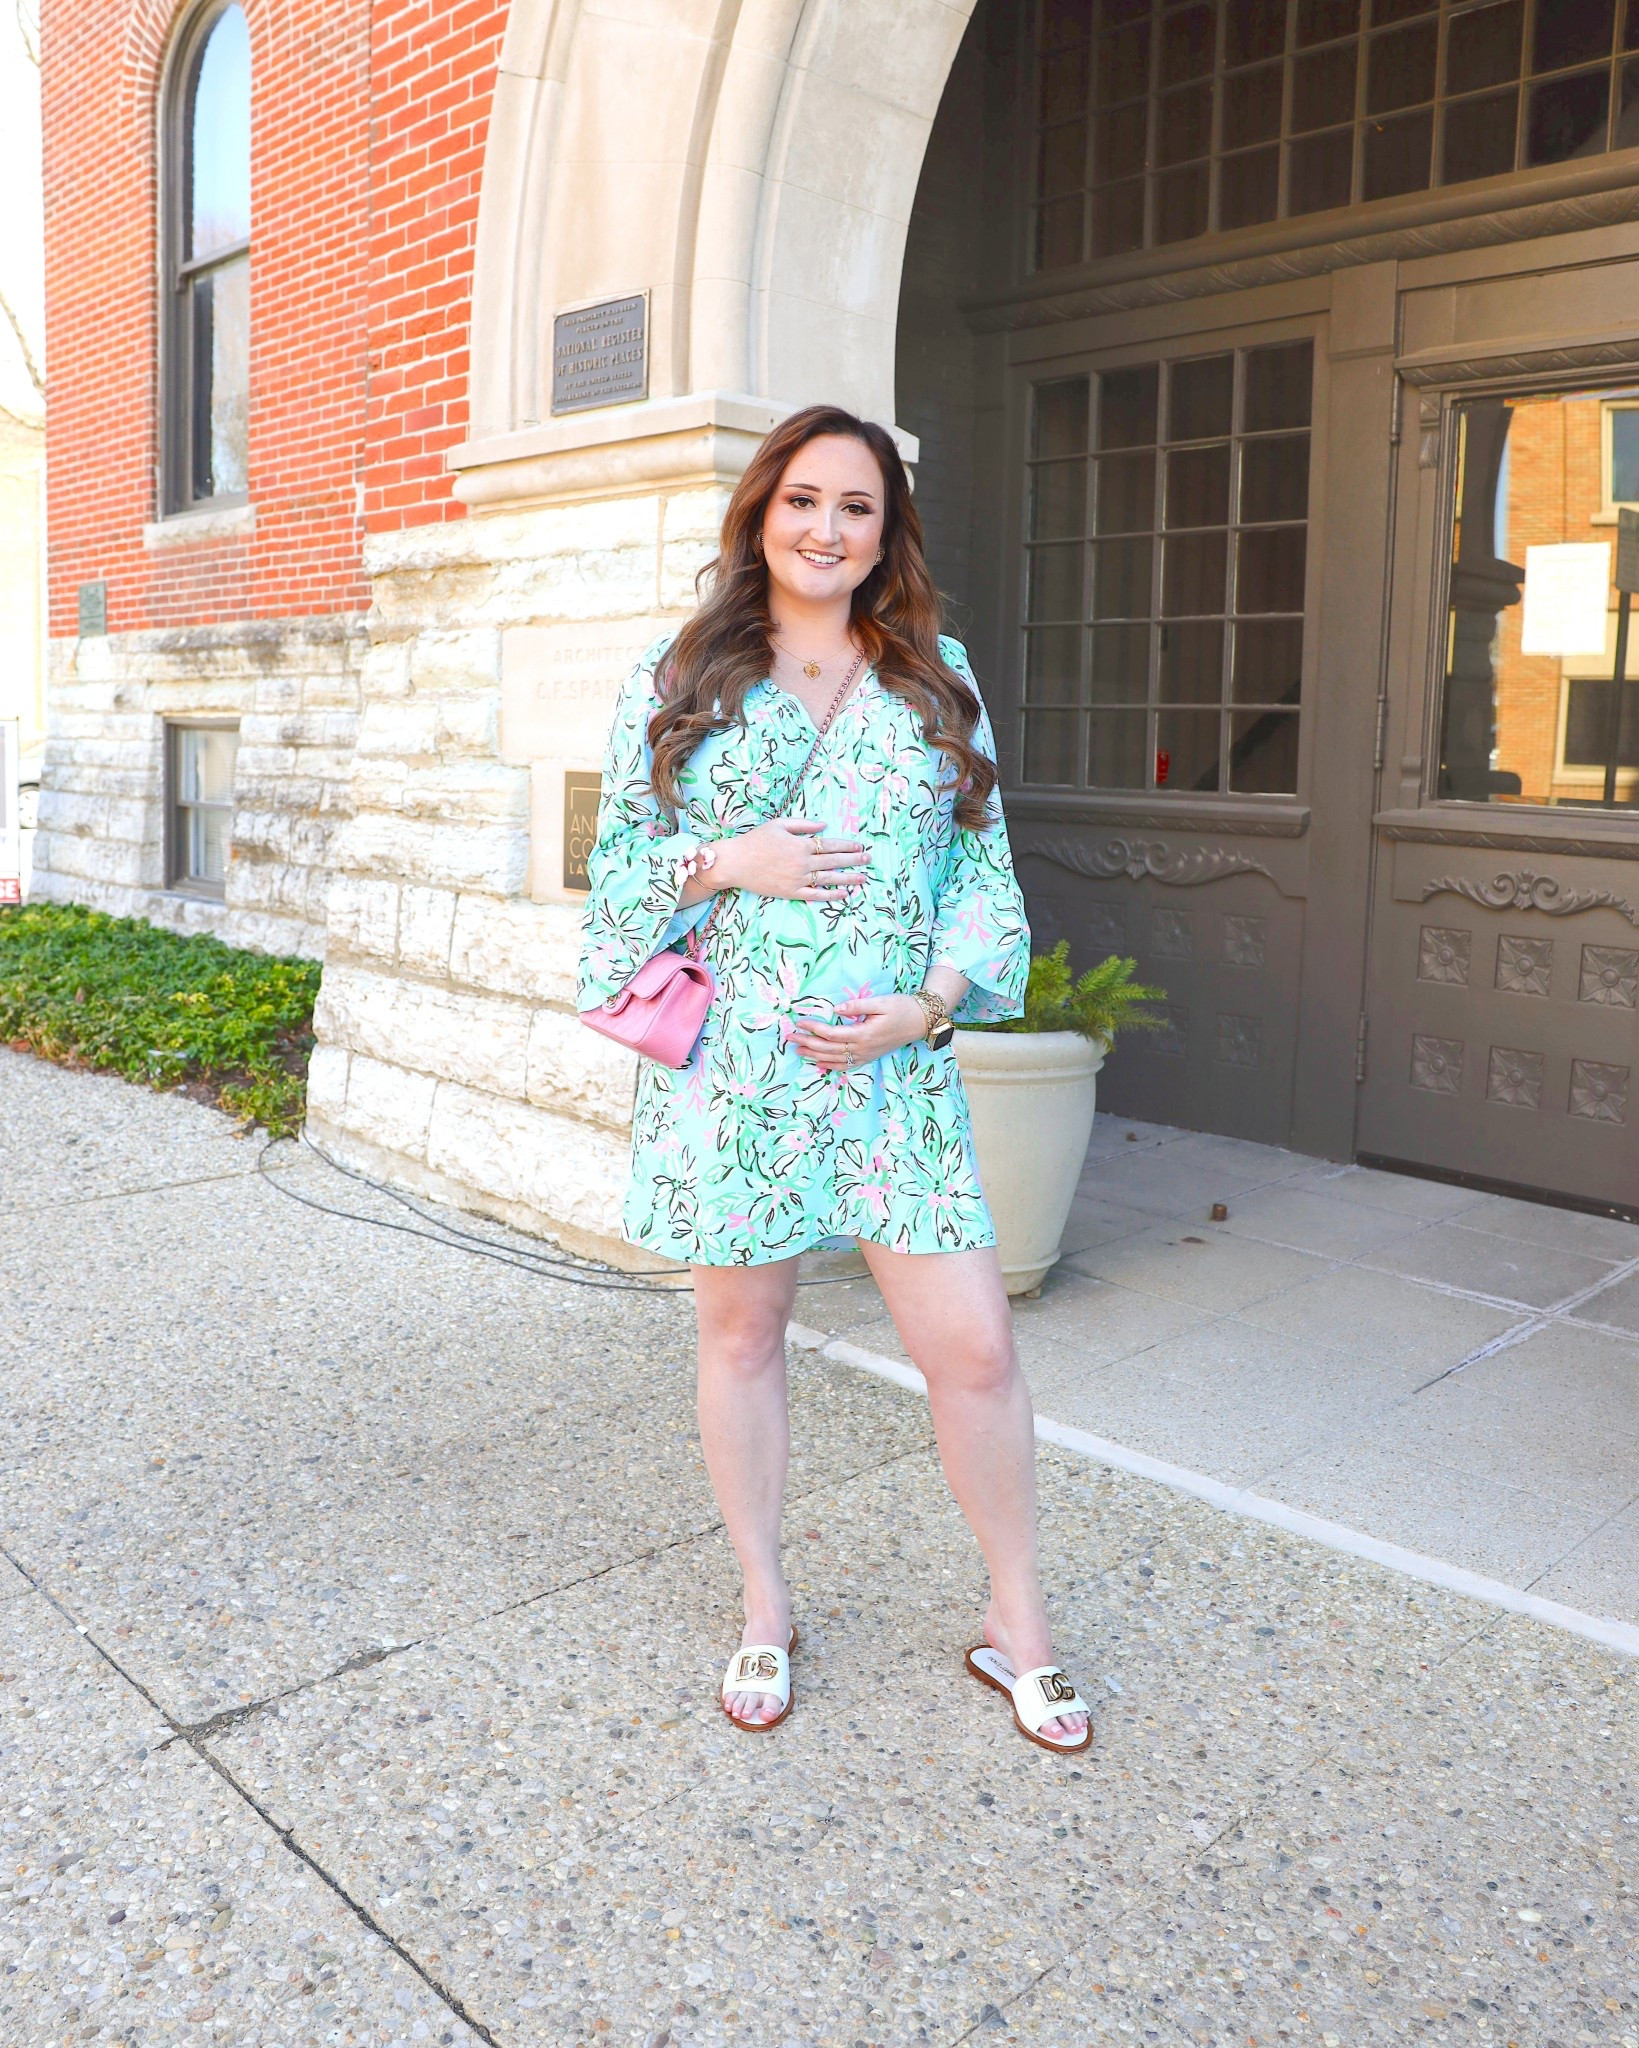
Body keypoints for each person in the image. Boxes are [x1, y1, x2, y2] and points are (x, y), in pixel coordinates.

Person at [576, 404, 1090, 1754]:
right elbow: (617, 874)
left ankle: (1017, 1623)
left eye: (855, 506)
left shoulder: (939, 677)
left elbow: (983, 873)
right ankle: (763, 1600)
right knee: (740, 1336)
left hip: (893, 1076)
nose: (826, 528)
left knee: (975, 1351)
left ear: (887, 531)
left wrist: (927, 1004)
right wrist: (724, 862)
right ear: (760, 512)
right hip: (737, 1079)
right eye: (802, 499)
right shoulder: (680, 674)